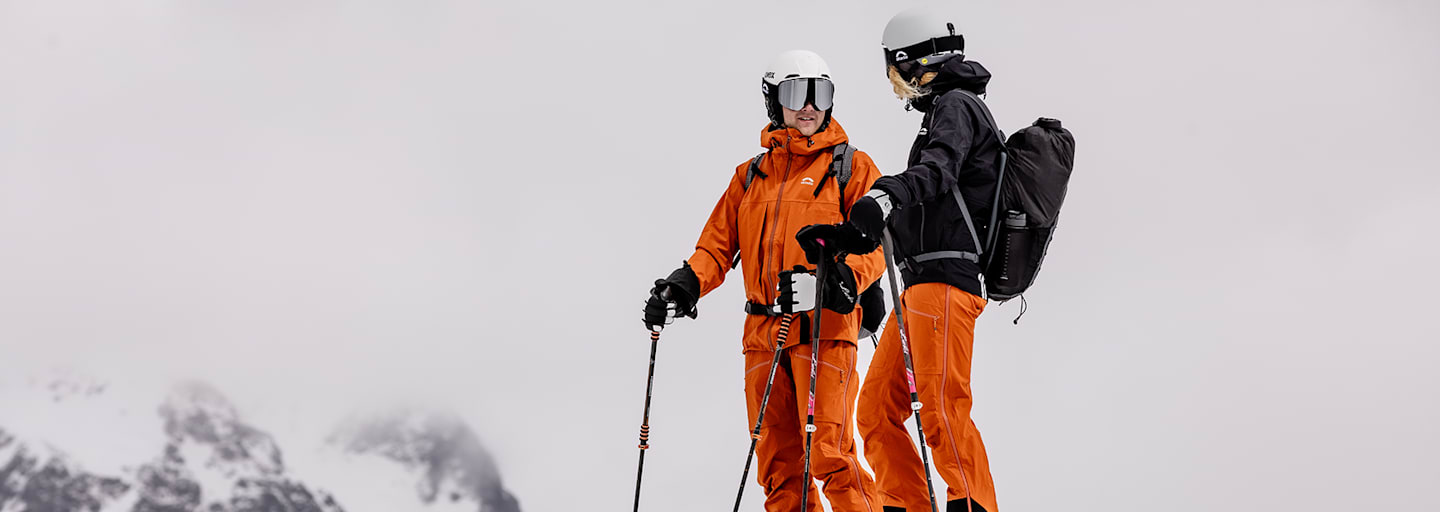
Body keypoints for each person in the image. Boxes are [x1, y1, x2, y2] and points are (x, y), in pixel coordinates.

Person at [642, 50, 884, 512]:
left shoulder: (850, 167)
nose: (809, 106)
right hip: (762, 337)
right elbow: (716, 248)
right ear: (775, 101)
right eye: (797, 93)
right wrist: (683, 287)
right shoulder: (751, 176)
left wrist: (837, 282)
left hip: (824, 332)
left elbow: (876, 243)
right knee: (779, 469)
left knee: (831, 458)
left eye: (821, 93)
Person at [797, 7, 1005, 512]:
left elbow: (937, 170)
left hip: (947, 284)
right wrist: (848, 238)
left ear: (913, 62)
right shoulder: (942, 112)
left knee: (939, 407)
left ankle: (973, 503)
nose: (896, 84)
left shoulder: (957, 106)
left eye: (896, 71)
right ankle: (910, 504)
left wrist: (882, 195)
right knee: (874, 412)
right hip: (918, 285)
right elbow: (923, 206)